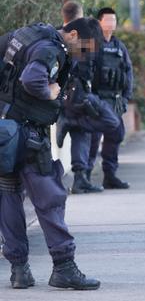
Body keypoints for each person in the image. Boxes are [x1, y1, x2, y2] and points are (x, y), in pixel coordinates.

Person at [0, 18, 101, 290]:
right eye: (85, 48)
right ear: (74, 34)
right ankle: (64, 266)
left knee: (9, 197)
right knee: (50, 197)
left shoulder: (23, 34)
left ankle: (19, 270)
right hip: (28, 134)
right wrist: (51, 91)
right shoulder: (50, 49)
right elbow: (32, 79)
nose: (84, 55)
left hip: (5, 132)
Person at [55, 18, 123, 194]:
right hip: (79, 94)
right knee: (112, 123)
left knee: (81, 132)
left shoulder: (68, 40)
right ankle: (81, 176)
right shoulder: (76, 41)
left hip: (76, 95)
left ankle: (80, 178)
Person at [85, 7, 133, 189]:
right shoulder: (89, 44)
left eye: (114, 20)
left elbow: (128, 73)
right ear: (99, 22)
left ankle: (110, 175)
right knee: (93, 139)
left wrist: (126, 97)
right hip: (95, 100)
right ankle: (85, 176)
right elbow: (77, 66)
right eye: (108, 20)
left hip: (114, 100)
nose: (111, 24)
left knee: (116, 135)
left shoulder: (119, 46)